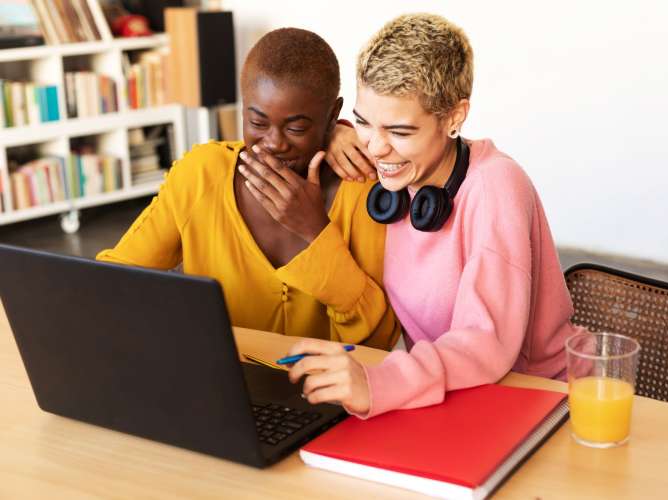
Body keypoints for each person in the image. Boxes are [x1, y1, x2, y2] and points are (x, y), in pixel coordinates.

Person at [282, 14, 582, 417]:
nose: (376, 148)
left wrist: (378, 383)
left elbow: (485, 341)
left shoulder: (496, 186)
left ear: (455, 117)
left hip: (546, 399)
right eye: (365, 122)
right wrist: (334, 133)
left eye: (401, 132)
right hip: (459, 397)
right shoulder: (391, 174)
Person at [97, 28, 401, 350]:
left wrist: (316, 232)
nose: (274, 143)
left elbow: (379, 339)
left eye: (296, 128)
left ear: (332, 117)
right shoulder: (200, 174)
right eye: (257, 123)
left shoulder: (364, 189)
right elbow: (115, 281)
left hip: (330, 392)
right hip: (219, 383)